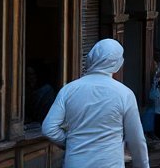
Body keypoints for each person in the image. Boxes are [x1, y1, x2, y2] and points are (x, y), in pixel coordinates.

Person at [42, 39, 149, 168]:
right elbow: (136, 140)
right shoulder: (125, 94)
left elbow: (49, 128)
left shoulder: (68, 90)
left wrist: (71, 142)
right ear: (117, 63)